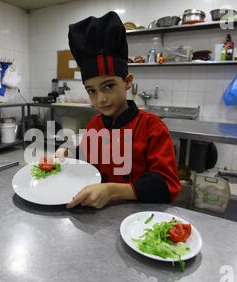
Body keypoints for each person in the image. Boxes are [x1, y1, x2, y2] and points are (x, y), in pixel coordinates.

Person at [57, 11, 180, 209]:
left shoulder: (152, 127)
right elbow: (90, 157)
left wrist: (111, 190)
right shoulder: (96, 124)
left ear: (128, 82)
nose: (101, 99)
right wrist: (69, 152)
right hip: (98, 214)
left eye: (109, 86)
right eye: (92, 91)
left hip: (139, 220)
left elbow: (167, 185)